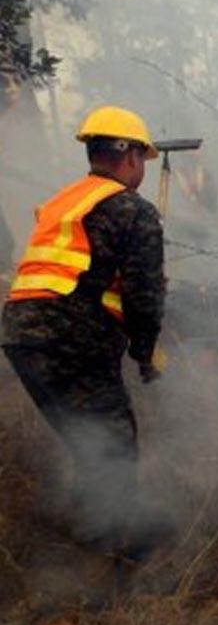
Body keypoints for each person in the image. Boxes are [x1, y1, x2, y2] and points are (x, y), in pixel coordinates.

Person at [2, 106, 170, 560]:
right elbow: (144, 294)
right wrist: (145, 354)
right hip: (72, 336)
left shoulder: (64, 201)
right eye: (143, 159)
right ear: (130, 155)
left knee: (86, 437)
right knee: (113, 437)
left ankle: (91, 531)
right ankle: (121, 552)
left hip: (19, 337)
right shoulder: (133, 210)